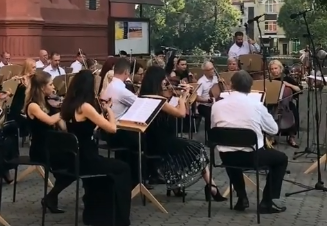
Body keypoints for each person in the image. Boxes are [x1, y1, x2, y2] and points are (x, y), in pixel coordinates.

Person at [139, 66, 226, 201]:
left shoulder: (144, 96)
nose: (166, 82)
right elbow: (181, 113)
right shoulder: (157, 99)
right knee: (199, 149)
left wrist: (180, 98)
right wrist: (183, 96)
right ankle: (211, 187)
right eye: (164, 80)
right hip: (163, 142)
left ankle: (182, 185)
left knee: (191, 148)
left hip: (153, 140)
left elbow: (178, 111)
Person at [60, 70, 132, 226]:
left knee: (111, 169)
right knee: (123, 168)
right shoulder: (85, 106)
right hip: (88, 159)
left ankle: (98, 212)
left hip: (76, 156)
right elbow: (112, 129)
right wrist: (109, 110)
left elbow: (84, 129)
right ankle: (120, 217)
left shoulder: (68, 105)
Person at [211, 70, 288, 214]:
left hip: (226, 157)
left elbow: (213, 130)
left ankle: (242, 197)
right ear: (250, 88)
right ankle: (266, 201)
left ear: (231, 85)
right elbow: (273, 129)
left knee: (230, 150)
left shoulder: (217, 105)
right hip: (252, 157)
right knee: (281, 159)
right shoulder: (256, 105)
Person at [25, 71, 73, 213]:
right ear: (41, 87)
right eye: (50, 84)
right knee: (71, 168)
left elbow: (62, 127)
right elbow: (50, 120)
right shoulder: (33, 105)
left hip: (53, 146)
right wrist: (65, 109)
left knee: (72, 167)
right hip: (40, 148)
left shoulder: (49, 102)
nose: (54, 87)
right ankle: (50, 198)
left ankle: (51, 198)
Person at [268, 60, 301, 148]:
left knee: (293, 111)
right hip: (273, 103)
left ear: (280, 68)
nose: (274, 71)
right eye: (272, 69)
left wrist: (289, 85)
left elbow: (298, 89)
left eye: (276, 68)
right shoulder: (269, 81)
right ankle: (272, 137)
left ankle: (291, 137)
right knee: (267, 112)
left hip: (286, 104)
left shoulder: (287, 79)